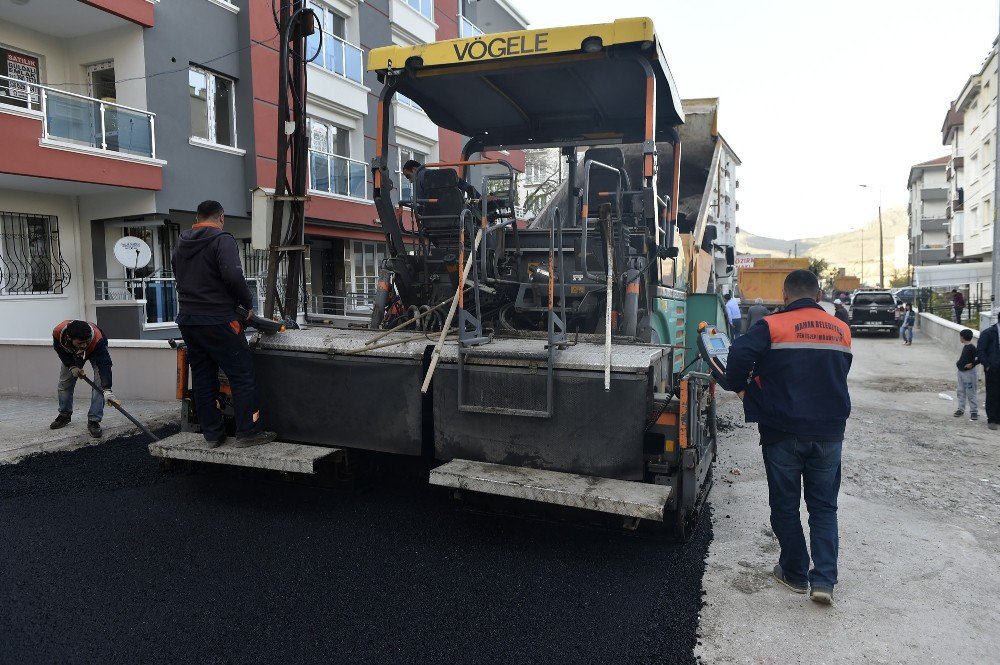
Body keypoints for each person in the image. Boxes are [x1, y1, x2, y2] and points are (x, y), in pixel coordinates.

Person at [725, 269, 851, 605]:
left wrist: (742, 389)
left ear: (785, 295)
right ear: (819, 295)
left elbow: (738, 355)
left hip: (783, 432)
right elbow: (836, 373)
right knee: (824, 508)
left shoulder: (773, 325)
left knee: (785, 506)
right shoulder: (841, 329)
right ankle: (823, 581)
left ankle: (794, 573)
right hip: (828, 434)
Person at [172, 200, 275, 448]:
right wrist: (246, 303)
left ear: (197, 218)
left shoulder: (181, 242)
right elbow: (232, 274)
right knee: (242, 375)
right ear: (221, 217)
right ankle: (248, 432)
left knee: (204, 375)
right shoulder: (222, 240)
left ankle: (213, 434)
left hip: (188, 320)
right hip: (219, 319)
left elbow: (178, 274)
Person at [50, 320, 117, 438]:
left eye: (86, 342)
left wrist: (107, 389)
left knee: (99, 386)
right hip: (73, 353)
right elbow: (59, 349)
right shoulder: (58, 332)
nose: (84, 345)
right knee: (65, 384)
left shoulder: (97, 339)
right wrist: (71, 366)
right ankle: (64, 415)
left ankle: (94, 420)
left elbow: (104, 364)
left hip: (96, 351)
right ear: (69, 338)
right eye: (81, 343)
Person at [401, 159, 480, 200]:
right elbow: (465, 185)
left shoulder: (419, 180)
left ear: (414, 169)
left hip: (430, 220)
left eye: (408, 176)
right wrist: (479, 197)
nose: (410, 181)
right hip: (455, 216)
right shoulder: (441, 175)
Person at [977, 314, 1000, 430]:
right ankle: (991, 419)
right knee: (992, 394)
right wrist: (987, 365)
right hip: (993, 369)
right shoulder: (988, 333)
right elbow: (980, 350)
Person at [955, 329, 979, 421]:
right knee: (960, 391)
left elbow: (979, 358)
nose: (960, 338)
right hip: (961, 372)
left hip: (968, 374)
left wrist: (972, 364)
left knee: (970, 392)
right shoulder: (966, 346)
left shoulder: (972, 348)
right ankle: (960, 409)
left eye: (960, 336)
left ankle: (974, 411)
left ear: (962, 337)